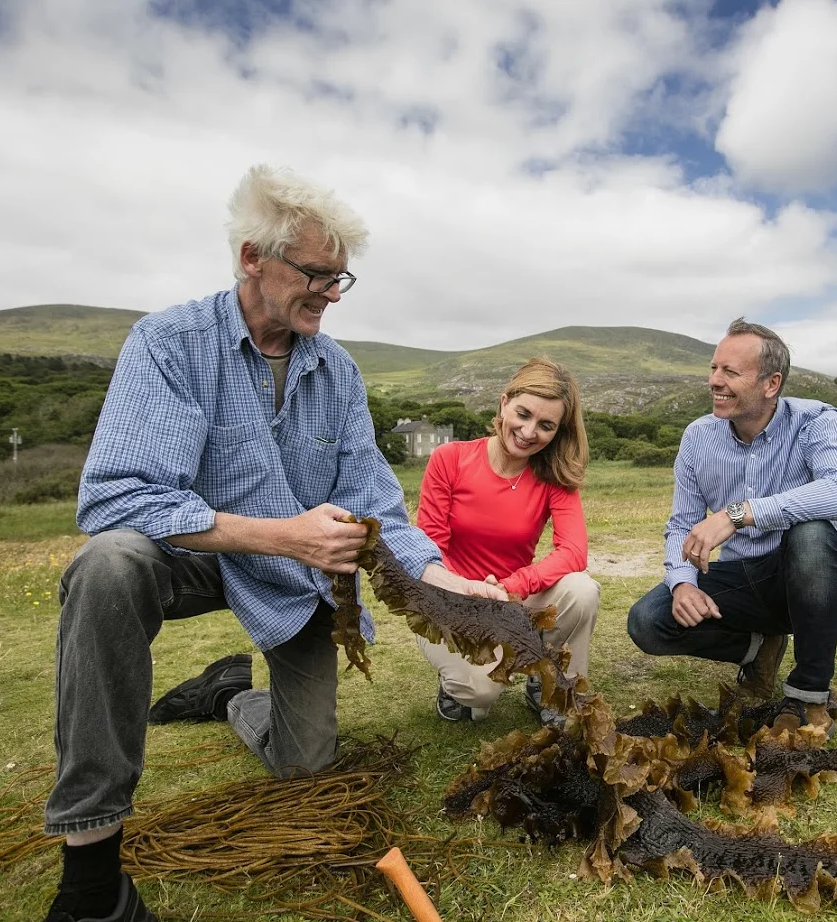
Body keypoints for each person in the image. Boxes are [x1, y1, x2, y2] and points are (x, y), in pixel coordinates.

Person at [41, 165, 504, 922]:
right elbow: (115, 497)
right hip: (190, 556)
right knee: (107, 565)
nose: (330, 292)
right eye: (316, 273)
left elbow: (374, 504)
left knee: (305, 768)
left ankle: (231, 695)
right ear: (253, 257)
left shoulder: (338, 371)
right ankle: (92, 868)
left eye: (340, 278)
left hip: (294, 580)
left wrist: (445, 581)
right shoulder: (168, 344)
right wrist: (278, 534)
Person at [626, 318, 837, 724]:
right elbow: (681, 523)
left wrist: (739, 514)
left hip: (808, 579)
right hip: (741, 576)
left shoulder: (816, 421)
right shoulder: (698, 437)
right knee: (648, 621)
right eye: (713, 368)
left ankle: (808, 694)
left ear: (771, 384)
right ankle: (758, 648)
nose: (715, 381)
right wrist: (683, 581)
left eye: (730, 372)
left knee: (811, 534)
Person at [415, 358, 599, 724]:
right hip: (451, 601)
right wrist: (467, 592)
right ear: (504, 403)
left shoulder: (554, 476)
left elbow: (574, 552)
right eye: (523, 414)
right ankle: (458, 684)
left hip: (514, 599)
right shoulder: (449, 459)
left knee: (582, 590)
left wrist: (512, 586)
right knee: (479, 697)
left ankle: (552, 685)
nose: (529, 432)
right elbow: (429, 546)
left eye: (546, 425)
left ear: (557, 431)